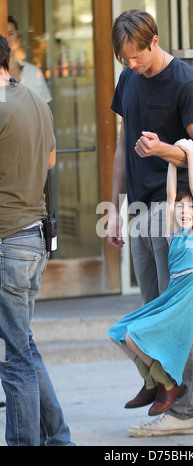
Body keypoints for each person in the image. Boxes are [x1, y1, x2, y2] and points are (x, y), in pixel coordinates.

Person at [107, 10, 193, 437]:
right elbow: (123, 148)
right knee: (161, 312)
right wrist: (117, 207)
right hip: (141, 211)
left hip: (175, 213)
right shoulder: (128, 80)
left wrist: (164, 151)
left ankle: (185, 411)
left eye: (136, 57)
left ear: (154, 40)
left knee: (175, 314)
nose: (132, 66)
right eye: (124, 60)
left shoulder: (186, 82)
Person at [108, 138, 193, 423]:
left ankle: (169, 384)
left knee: (136, 336)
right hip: (172, 297)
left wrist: (190, 153)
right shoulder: (173, 233)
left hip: (186, 302)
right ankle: (154, 381)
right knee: (120, 332)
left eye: (190, 208)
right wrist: (170, 161)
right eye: (181, 208)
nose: (184, 211)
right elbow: (171, 196)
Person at [0, 35, 73, 446]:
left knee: (15, 359)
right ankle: (59, 437)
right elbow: (50, 160)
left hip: (6, 242)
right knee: (23, 345)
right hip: (33, 239)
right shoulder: (33, 100)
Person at [7, 16, 52, 103]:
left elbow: (45, 110)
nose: (6, 39)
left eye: (10, 33)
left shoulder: (34, 73)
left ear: (18, 38)